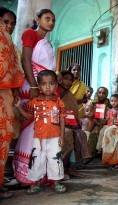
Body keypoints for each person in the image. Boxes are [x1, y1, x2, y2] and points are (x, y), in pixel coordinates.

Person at [13, 8, 57, 185]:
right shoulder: (30, 34)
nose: (51, 23)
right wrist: (33, 85)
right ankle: (26, 174)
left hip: (44, 86)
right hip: (32, 86)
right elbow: (25, 60)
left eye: (53, 20)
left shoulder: (47, 42)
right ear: (37, 19)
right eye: (47, 19)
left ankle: (40, 173)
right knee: (31, 128)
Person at [15, 70, 66, 194]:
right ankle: (36, 183)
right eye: (44, 84)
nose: (48, 87)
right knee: (37, 159)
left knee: (55, 159)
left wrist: (62, 135)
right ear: (39, 86)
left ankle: (57, 183)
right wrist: (18, 106)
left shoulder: (59, 102)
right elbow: (28, 116)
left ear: (56, 85)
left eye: (51, 84)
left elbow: (62, 119)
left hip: (54, 137)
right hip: (38, 137)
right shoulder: (35, 102)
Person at [0, 12, 24, 200]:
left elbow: (16, 72)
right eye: (5, 22)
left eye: (12, 23)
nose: (9, 26)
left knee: (4, 139)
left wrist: (15, 88)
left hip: (6, 96)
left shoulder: (11, 46)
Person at [58, 70, 91, 180]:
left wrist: (74, 123)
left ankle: (71, 168)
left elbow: (75, 114)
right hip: (55, 124)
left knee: (80, 133)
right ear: (59, 79)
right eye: (65, 78)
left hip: (68, 125)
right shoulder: (54, 93)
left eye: (70, 80)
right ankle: (61, 168)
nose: (68, 82)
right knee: (67, 134)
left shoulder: (70, 96)